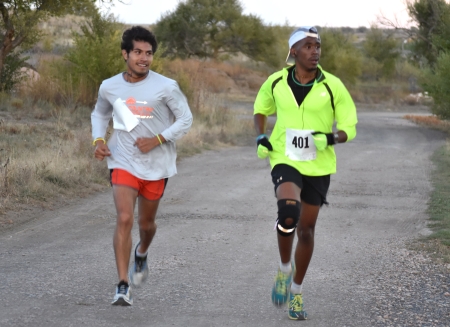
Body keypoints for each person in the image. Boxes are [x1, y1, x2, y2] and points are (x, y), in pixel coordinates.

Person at [253, 26, 357, 320]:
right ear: (294, 52)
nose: (315, 51)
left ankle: (296, 292)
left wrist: (331, 138)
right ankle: (285, 270)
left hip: (319, 163)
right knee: (288, 212)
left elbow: (349, 127)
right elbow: (260, 109)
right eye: (308, 46)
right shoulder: (275, 82)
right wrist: (261, 136)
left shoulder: (332, 85)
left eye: (318, 46)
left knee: (306, 230)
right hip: (284, 157)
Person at [91, 26, 193, 306]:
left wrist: (158, 139)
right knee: (124, 218)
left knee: (146, 224)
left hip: (156, 165)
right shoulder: (110, 86)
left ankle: (143, 251)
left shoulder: (166, 86)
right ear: (125, 54)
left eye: (148, 53)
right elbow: (100, 113)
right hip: (122, 160)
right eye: (138, 52)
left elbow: (185, 119)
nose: (144, 58)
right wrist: (98, 139)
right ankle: (123, 284)